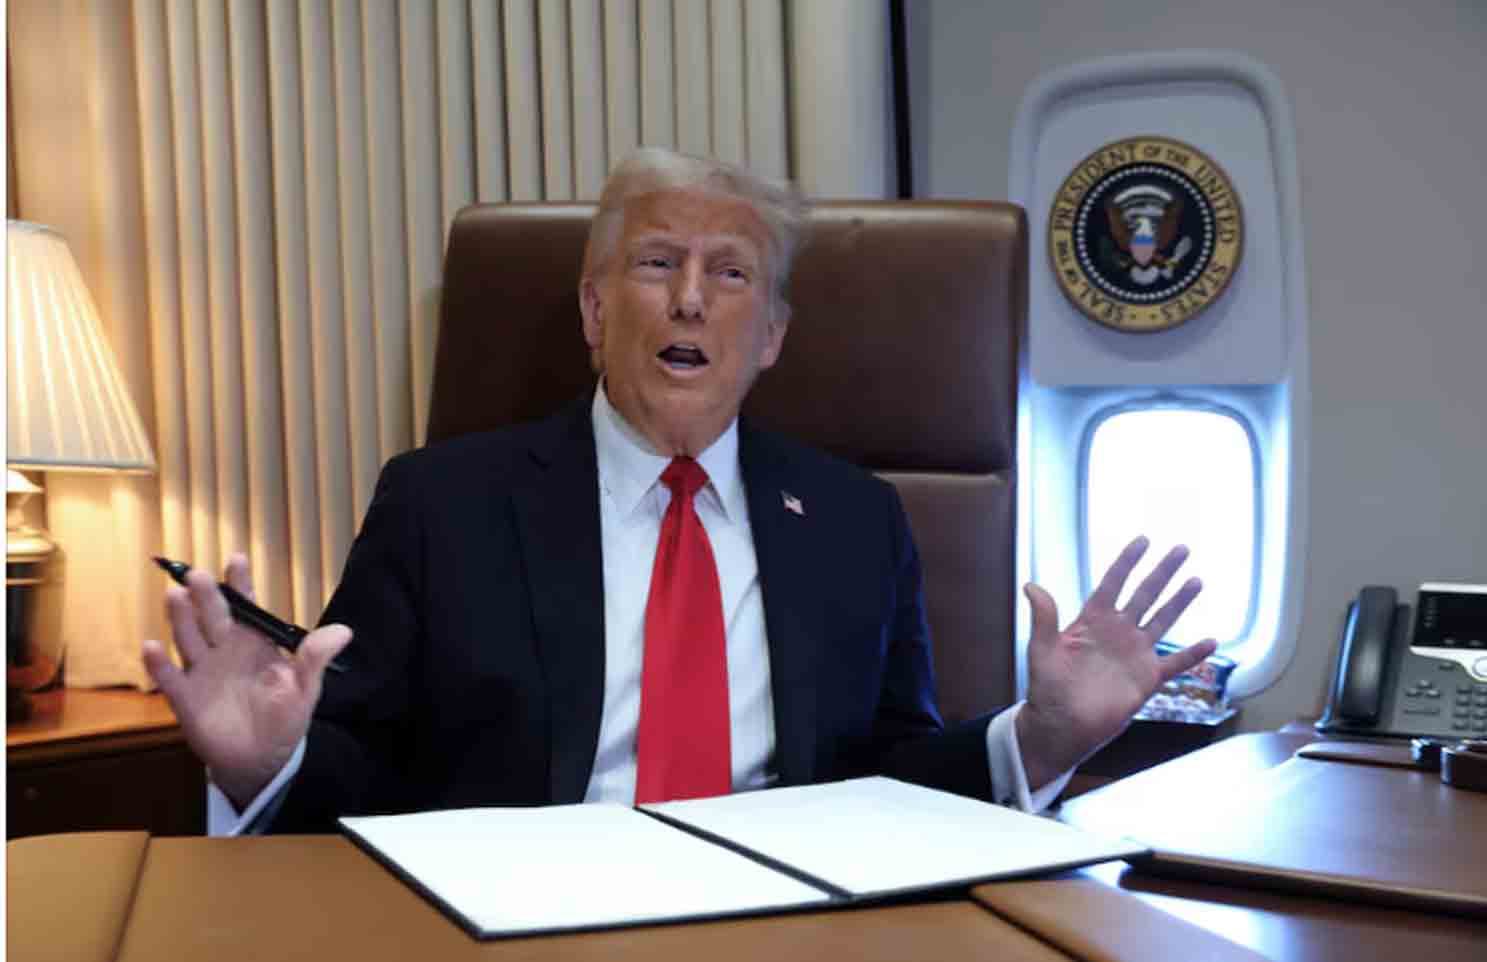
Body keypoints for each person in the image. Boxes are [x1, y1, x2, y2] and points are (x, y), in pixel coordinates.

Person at [142, 148, 1215, 834]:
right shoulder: (439, 503)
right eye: (656, 264)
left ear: (774, 337)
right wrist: (267, 765)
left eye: (732, 273)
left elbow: (890, 777)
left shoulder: (855, 518)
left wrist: (1043, 737)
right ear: (596, 310)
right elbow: (363, 763)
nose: (692, 300)